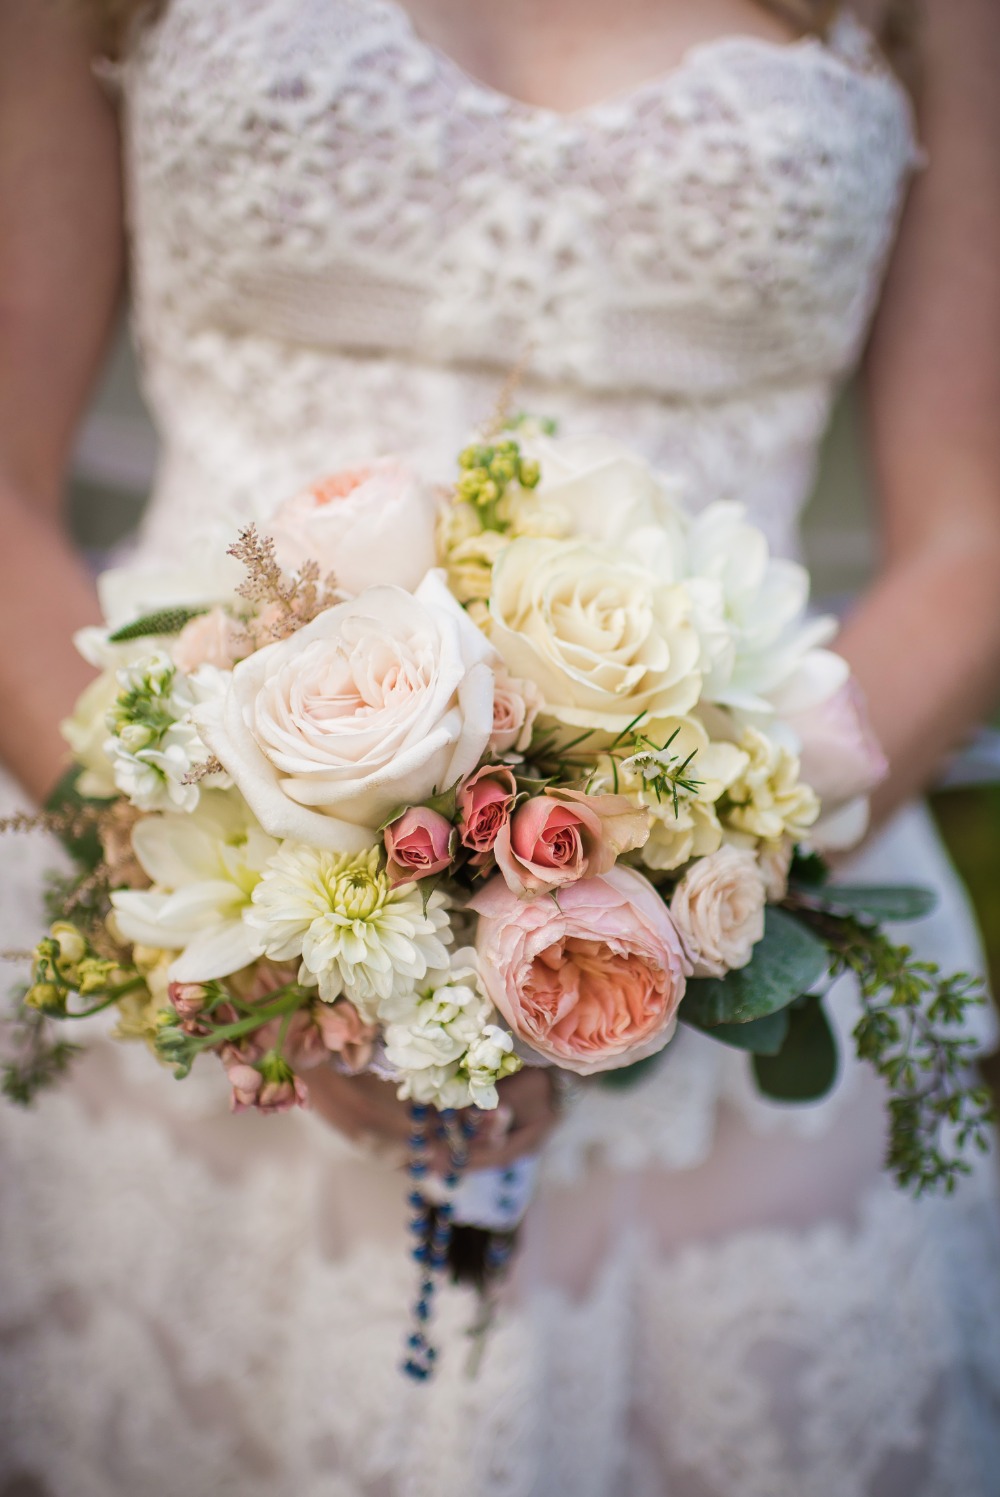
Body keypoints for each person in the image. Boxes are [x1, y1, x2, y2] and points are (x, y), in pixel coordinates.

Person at [1, 0, 999, 1491]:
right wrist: (228, 937)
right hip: (171, 885)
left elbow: (977, 530)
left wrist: (680, 904)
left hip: (765, 883)